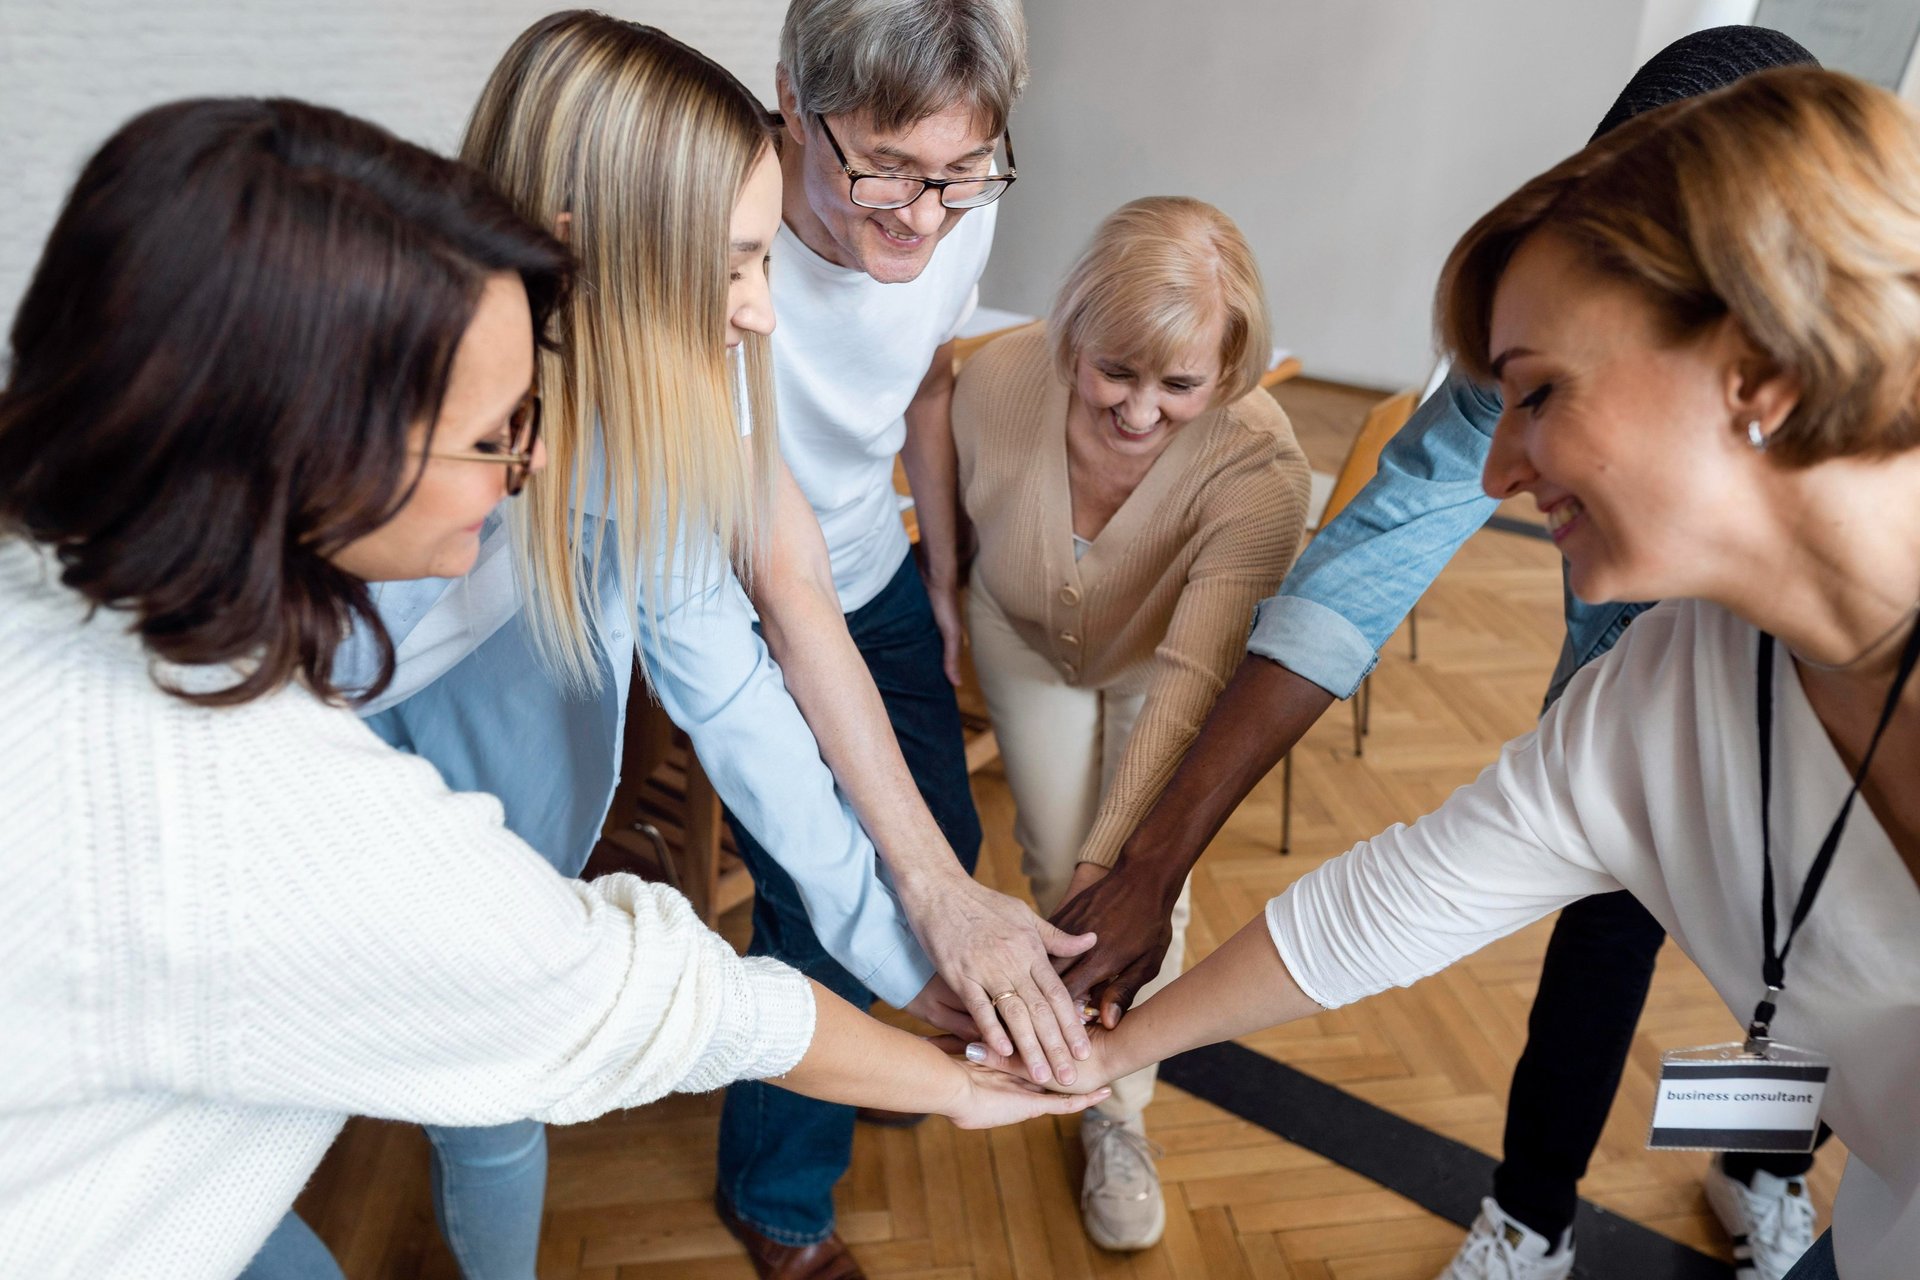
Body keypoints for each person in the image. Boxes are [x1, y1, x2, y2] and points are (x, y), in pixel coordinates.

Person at [0, 96, 1105, 1280]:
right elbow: (635, 997)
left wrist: (918, 933)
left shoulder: (85, 602)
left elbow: (734, 683)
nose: (526, 464)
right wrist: (955, 1084)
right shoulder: (260, 802)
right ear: (316, 452)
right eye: (493, 436)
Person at [1002, 63, 1920, 1280]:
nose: (1493, 476)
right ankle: (1539, 1214)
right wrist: (1109, 1034)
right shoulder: (1661, 695)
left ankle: (1760, 1163)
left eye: (1540, 394)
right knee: (1704, 978)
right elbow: (1391, 895)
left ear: (1758, 368)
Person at [303, 15, 1090, 1279]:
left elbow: (730, 681)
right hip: (352, 888)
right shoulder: (376, 490)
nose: (765, 309)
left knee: (498, 1126)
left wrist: (911, 954)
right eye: (735, 262)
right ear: (576, 242)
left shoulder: (676, 373)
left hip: (513, 869)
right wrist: (921, 1041)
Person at [716, 3, 1062, 1274]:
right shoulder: (718, 253)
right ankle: (777, 1193)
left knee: (950, 842)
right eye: (885, 170)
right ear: (788, 103)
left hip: (875, 570)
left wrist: (947, 571)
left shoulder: (960, 201)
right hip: (745, 606)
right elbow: (779, 579)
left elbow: (922, 379)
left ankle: (846, 1044)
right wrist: (915, 889)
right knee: (824, 902)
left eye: (957, 174)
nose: (922, 214)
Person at [946, 197, 1310, 1249]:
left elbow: (1199, 677)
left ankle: (1119, 1110)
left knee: (1140, 883)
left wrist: (1125, 875)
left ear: (1230, 370)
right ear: (1072, 329)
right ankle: (1078, 1055)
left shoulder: (1260, 468)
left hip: (1164, 667)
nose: (1140, 411)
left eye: (1180, 384)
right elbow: (959, 517)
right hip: (1021, 636)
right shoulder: (997, 377)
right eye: (1115, 371)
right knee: (1055, 858)